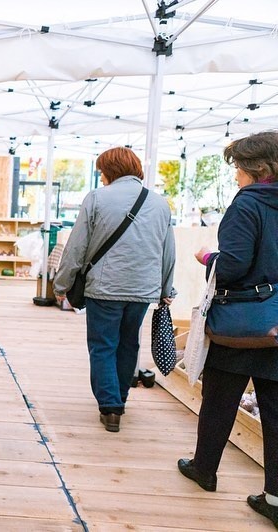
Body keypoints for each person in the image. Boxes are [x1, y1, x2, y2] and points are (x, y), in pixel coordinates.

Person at [177, 130, 278, 528]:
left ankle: (205, 470)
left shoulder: (247, 205)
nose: (235, 174)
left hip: (242, 321)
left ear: (255, 168)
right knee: (275, 410)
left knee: (220, 399)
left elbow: (233, 266)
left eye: (237, 166)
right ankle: (274, 498)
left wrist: (208, 256)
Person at [53, 147, 176, 433]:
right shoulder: (160, 203)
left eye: (101, 172)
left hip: (105, 288)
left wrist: (61, 284)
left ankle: (110, 407)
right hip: (144, 289)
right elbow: (168, 251)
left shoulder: (97, 198)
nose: (101, 177)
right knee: (128, 343)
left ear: (109, 171)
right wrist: (165, 288)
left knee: (103, 344)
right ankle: (120, 397)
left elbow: (77, 246)